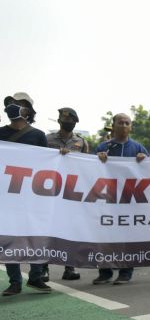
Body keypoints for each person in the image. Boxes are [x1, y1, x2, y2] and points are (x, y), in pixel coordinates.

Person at [1, 92, 51, 296]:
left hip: (32, 193)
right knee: (11, 237)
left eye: (21, 104)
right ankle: (15, 282)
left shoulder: (38, 135)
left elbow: (48, 163)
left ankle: (36, 277)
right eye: (13, 103)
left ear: (28, 109)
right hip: (8, 195)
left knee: (35, 235)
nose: (16, 106)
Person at [92, 113, 148, 285]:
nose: (124, 125)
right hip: (107, 200)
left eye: (127, 123)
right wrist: (98, 160)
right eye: (120, 122)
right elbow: (88, 170)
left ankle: (125, 271)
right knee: (105, 235)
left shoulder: (138, 148)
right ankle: (105, 271)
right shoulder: (103, 147)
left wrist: (145, 160)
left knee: (127, 237)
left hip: (130, 200)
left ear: (131, 127)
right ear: (113, 125)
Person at [44, 107, 89, 281]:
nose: (67, 122)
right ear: (59, 121)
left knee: (69, 229)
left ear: (75, 122)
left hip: (71, 192)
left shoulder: (81, 142)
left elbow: (87, 165)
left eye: (70, 120)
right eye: (64, 120)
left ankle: (69, 267)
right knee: (48, 230)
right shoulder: (47, 140)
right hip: (49, 191)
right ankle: (43, 268)